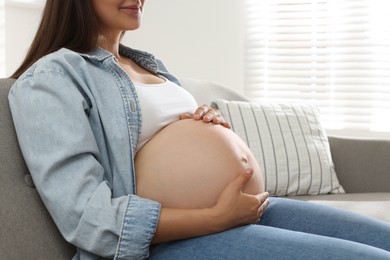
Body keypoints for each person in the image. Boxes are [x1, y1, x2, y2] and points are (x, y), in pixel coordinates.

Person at [8, 1, 390, 259]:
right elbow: (87, 218)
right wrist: (216, 218)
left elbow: (160, 142)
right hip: (165, 243)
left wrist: (204, 122)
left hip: (247, 211)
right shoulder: (51, 78)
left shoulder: (148, 64)